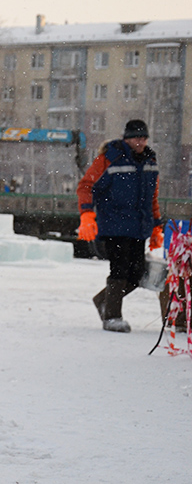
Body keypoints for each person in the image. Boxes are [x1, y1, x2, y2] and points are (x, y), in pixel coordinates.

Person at [77, 119, 164, 332]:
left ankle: (104, 300)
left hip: (138, 226)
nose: (140, 141)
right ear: (127, 138)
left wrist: (155, 225)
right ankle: (112, 317)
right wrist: (87, 214)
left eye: (144, 137)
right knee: (120, 269)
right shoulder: (110, 158)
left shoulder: (150, 161)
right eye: (136, 137)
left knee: (137, 273)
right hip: (113, 224)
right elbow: (86, 186)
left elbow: (152, 197)